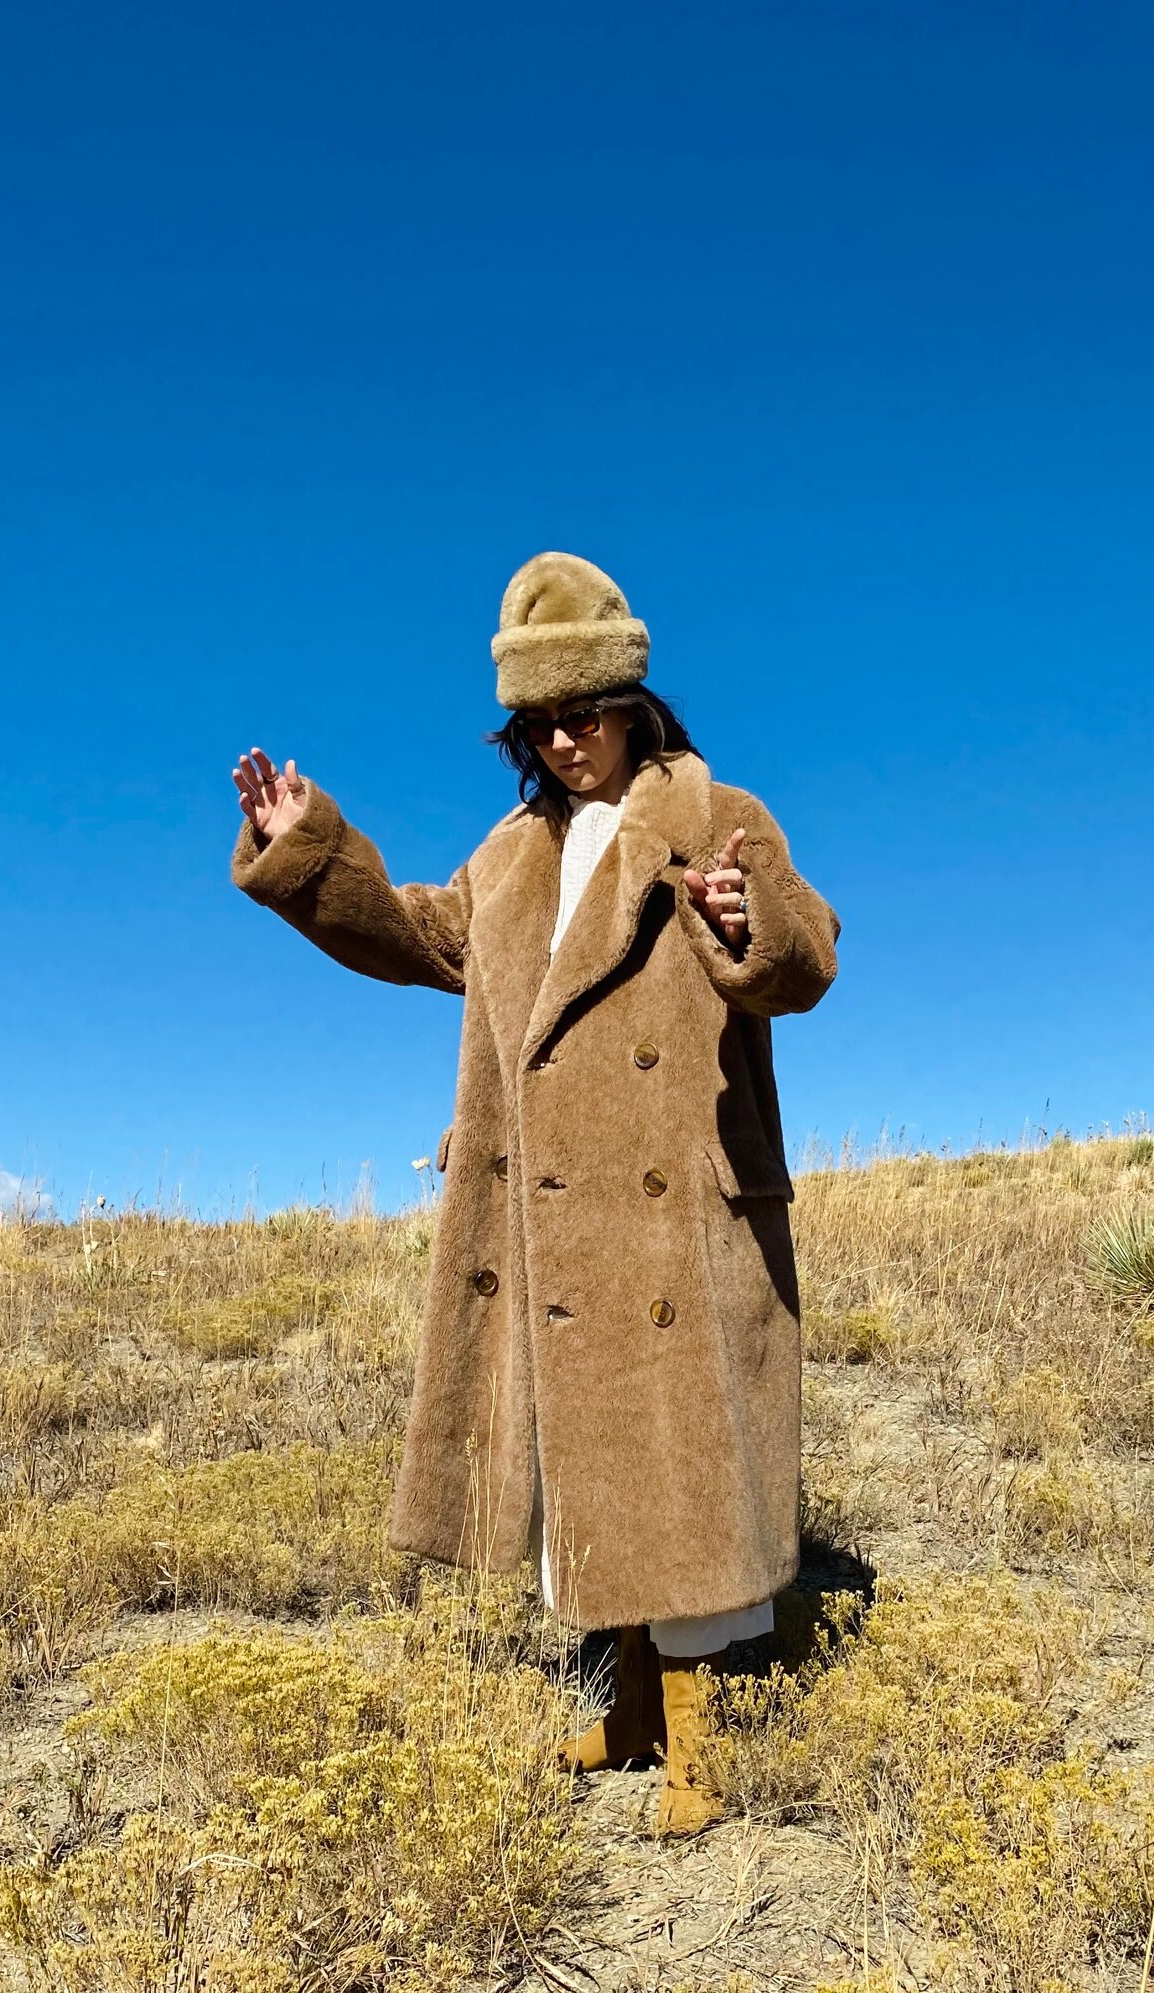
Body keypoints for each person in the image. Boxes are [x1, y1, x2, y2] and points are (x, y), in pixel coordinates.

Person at [231, 552, 839, 1836]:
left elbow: (809, 954)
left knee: (678, 1467)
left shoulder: (717, 812)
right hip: (558, 1219)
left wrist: (746, 918)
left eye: (589, 714)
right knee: (592, 1474)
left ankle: (695, 1741)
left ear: (635, 705)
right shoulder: (508, 859)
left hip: (681, 1207)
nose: (568, 741)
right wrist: (306, 852)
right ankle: (624, 1709)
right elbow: (413, 934)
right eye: (542, 724)